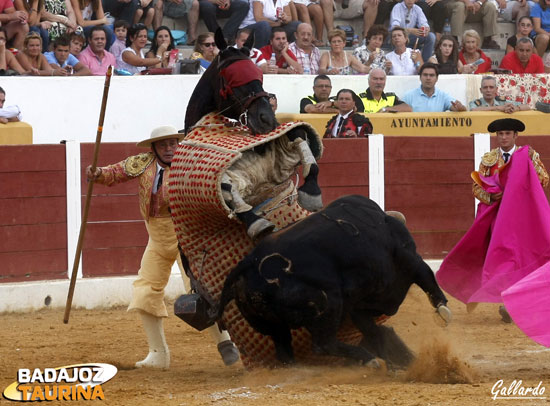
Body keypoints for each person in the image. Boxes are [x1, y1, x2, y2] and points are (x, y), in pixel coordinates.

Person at [86, 125, 240, 369]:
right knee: (145, 292)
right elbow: (118, 171)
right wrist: (98, 173)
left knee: (201, 292)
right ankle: (158, 354)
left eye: (172, 144)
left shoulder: (190, 165)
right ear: (154, 148)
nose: (169, 149)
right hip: (156, 238)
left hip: (187, 237)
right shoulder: (144, 162)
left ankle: (225, 343)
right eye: (163, 145)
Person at [436, 118, 549, 323]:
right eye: (500, 134)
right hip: (498, 217)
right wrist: (492, 196)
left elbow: (543, 181)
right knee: (503, 257)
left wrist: (522, 184)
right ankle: (508, 301)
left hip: (522, 216)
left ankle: (514, 302)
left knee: (521, 256)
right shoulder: (489, 159)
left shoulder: (528, 156)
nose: (503, 137)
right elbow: (476, 188)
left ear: (516, 136)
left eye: (507, 133)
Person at [402, 62, 466, 112]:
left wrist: (460, 107)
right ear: (420, 77)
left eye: (431, 75)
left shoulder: (443, 96)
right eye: (425, 75)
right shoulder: (409, 96)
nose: (428, 78)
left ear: (437, 78)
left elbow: (457, 108)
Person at [319, 0, 390, 40]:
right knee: (325, 1)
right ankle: (331, 35)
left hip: (351, 4)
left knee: (373, 2)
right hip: (332, 5)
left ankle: (366, 37)